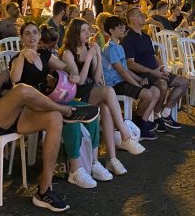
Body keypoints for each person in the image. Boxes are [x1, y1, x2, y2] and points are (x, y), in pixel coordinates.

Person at [0, 13, 100, 212]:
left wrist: (2, 93)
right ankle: (68, 110)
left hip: (2, 116)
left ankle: (44, 190)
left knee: (54, 118)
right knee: (22, 89)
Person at [10, 21, 120, 188]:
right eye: (27, 33)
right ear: (21, 38)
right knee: (70, 117)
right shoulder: (17, 58)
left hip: (49, 101)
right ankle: (75, 170)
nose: (32, 36)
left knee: (90, 111)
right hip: (30, 107)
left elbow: (65, 66)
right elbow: (15, 78)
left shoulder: (44, 55)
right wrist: (22, 56)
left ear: (39, 36)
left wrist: (73, 73)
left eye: (35, 32)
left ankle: (93, 162)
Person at [60, 18, 147, 152]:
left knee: (105, 108)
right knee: (108, 91)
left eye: (88, 29)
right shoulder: (68, 53)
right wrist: (89, 58)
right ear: (75, 33)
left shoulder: (89, 48)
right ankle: (125, 135)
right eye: (83, 31)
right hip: (76, 94)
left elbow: (97, 78)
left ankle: (111, 157)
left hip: (91, 90)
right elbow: (80, 81)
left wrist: (98, 57)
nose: (87, 33)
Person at [123, 6, 187, 133]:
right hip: (142, 75)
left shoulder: (146, 36)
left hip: (155, 71)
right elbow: (130, 64)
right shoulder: (128, 39)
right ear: (132, 19)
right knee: (162, 84)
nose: (143, 15)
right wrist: (153, 72)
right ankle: (157, 117)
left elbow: (153, 56)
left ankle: (165, 113)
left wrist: (162, 68)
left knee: (183, 81)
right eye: (139, 14)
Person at [101, 15, 162, 137]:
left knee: (156, 91)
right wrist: (137, 85)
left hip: (123, 81)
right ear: (111, 30)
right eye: (120, 27)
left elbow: (125, 70)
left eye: (123, 26)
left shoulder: (119, 46)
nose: (124, 29)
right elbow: (122, 72)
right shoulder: (110, 48)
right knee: (148, 94)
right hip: (114, 84)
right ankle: (138, 121)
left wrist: (140, 79)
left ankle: (142, 122)